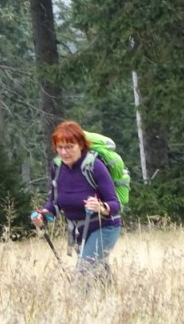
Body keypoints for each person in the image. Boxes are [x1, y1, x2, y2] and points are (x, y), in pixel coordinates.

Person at [31, 120, 121, 285]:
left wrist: (100, 207)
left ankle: (78, 309)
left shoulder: (95, 166)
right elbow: (55, 202)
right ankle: (112, 304)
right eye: (60, 147)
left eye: (69, 147)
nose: (64, 152)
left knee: (83, 277)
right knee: (100, 278)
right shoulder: (57, 167)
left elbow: (115, 205)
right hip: (79, 232)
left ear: (80, 145)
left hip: (104, 228)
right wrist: (43, 216)